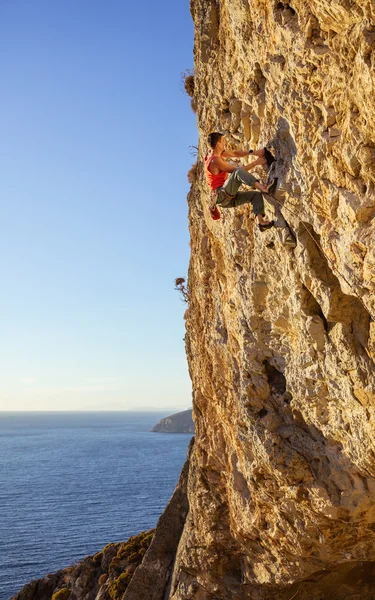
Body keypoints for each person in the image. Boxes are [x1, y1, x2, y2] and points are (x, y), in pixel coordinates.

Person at [204, 132, 277, 229]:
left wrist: (254, 152)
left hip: (227, 197)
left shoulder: (212, 153)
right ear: (218, 144)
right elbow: (237, 173)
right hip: (221, 194)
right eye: (223, 141)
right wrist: (255, 163)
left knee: (255, 196)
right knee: (238, 171)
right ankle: (264, 188)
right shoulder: (215, 161)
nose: (225, 143)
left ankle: (261, 222)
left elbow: (235, 153)